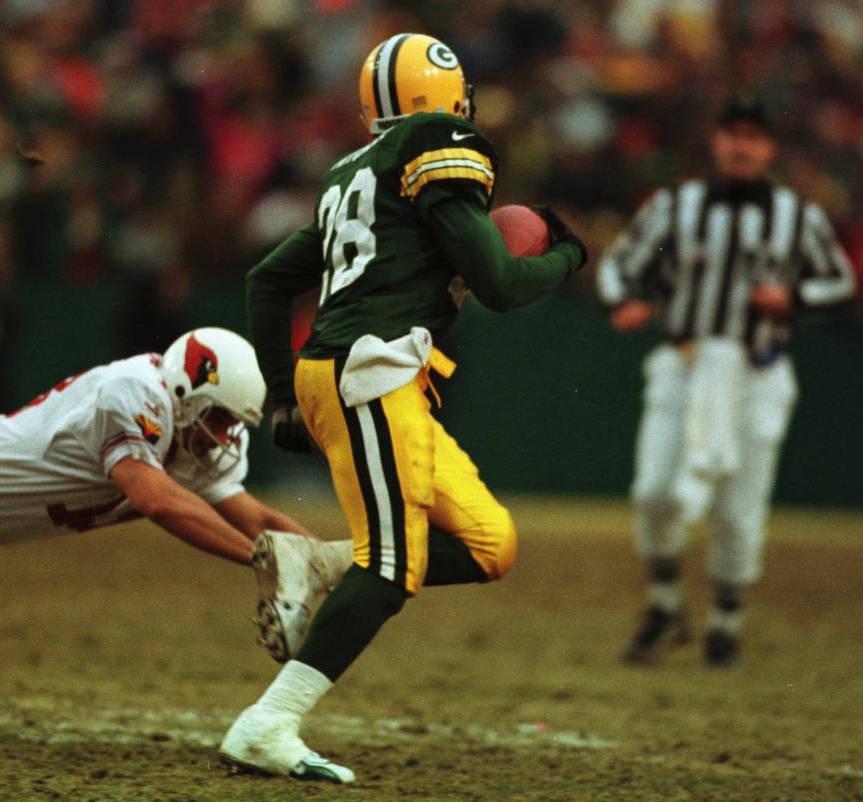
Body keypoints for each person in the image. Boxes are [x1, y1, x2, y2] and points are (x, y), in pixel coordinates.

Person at [220, 33, 587, 783]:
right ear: (443, 96)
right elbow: (500, 286)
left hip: (365, 378)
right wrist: (566, 253)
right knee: (390, 567)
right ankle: (268, 722)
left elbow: (265, 279)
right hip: (368, 376)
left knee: (491, 543)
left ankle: (319, 561)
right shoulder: (441, 141)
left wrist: (287, 393)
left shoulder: (353, 170)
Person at [596, 95, 857, 667]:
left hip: (754, 374)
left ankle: (725, 621)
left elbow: (840, 282)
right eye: (732, 133)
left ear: (770, 147)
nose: (741, 145)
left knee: (738, 510)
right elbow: (619, 262)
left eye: (753, 135)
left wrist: (793, 299)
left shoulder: (798, 217)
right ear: (716, 140)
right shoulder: (676, 206)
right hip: (684, 367)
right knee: (655, 491)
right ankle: (665, 608)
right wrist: (626, 300)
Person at [0, 326, 350, 648]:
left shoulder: (187, 438)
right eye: (219, 417)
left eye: (232, 423)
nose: (222, 435)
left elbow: (258, 518)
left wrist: (336, 568)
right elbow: (156, 501)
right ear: (184, 387)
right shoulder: (134, 391)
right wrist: (264, 560)